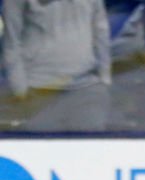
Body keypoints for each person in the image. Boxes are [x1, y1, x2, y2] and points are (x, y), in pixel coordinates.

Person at [2, 0, 111, 131]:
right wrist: (20, 92)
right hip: (38, 92)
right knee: (41, 149)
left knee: (90, 149)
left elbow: (100, 31)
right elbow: (11, 44)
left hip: (87, 89)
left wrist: (105, 79)